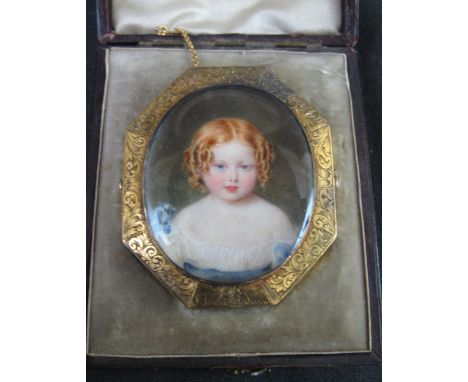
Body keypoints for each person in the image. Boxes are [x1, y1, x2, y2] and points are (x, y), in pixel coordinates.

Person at [150, 118, 296, 282]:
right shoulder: (186, 220)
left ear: (259, 167)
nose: (232, 177)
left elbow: (286, 277)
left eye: (244, 167)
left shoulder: (275, 220)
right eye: (220, 166)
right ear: (200, 167)